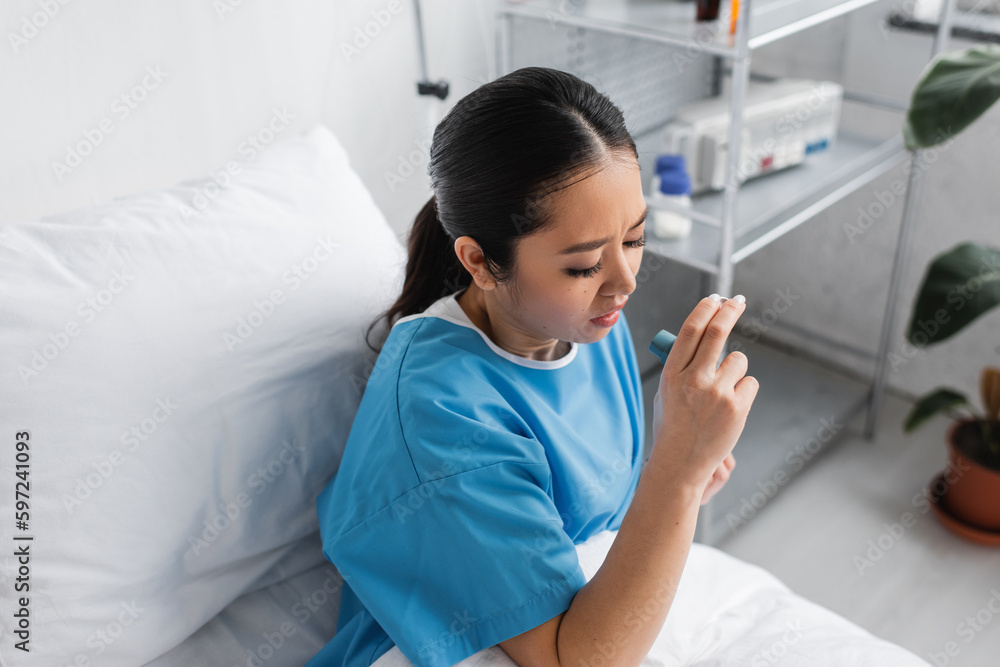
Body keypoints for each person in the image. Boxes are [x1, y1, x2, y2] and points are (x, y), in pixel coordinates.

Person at [306, 66, 757, 667]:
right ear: (480, 262)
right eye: (583, 265)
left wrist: (684, 474)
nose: (624, 282)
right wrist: (676, 474)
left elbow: (590, 517)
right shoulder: (441, 414)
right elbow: (574, 661)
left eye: (634, 238)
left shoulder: (586, 324)